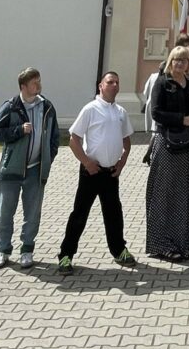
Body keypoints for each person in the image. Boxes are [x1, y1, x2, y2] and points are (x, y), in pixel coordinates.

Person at [57, 71, 134, 273]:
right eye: (110, 82)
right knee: (80, 214)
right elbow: (74, 139)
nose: (114, 85)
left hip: (111, 173)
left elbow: (127, 141)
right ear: (101, 86)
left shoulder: (120, 112)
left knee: (114, 214)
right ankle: (65, 255)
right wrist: (87, 163)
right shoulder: (90, 109)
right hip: (91, 172)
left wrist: (122, 162)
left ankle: (119, 250)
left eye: (117, 82)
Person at [0, 67, 59, 269]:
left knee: (32, 214)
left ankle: (27, 250)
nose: (38, 85)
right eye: (34, 82)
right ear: (23, 86)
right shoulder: (11, 106)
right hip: (11, 169)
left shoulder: (47, 107)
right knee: (5, 213)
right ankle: (2, 251)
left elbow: (54, 138)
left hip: (36, 170)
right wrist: (19, 130)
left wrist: (48, 158)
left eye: (39, 81)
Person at [146, 46, 189, 261]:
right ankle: (162, 244)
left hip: (188, 144)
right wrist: (182, 119)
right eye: (176, 60)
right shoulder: (162, 83)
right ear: (170, 62)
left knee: (186, 192)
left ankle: (184, 242)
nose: (180, 64)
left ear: (188, 63)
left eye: (183, 60)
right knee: (165, 193)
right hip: (168, 143)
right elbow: (156, 113)